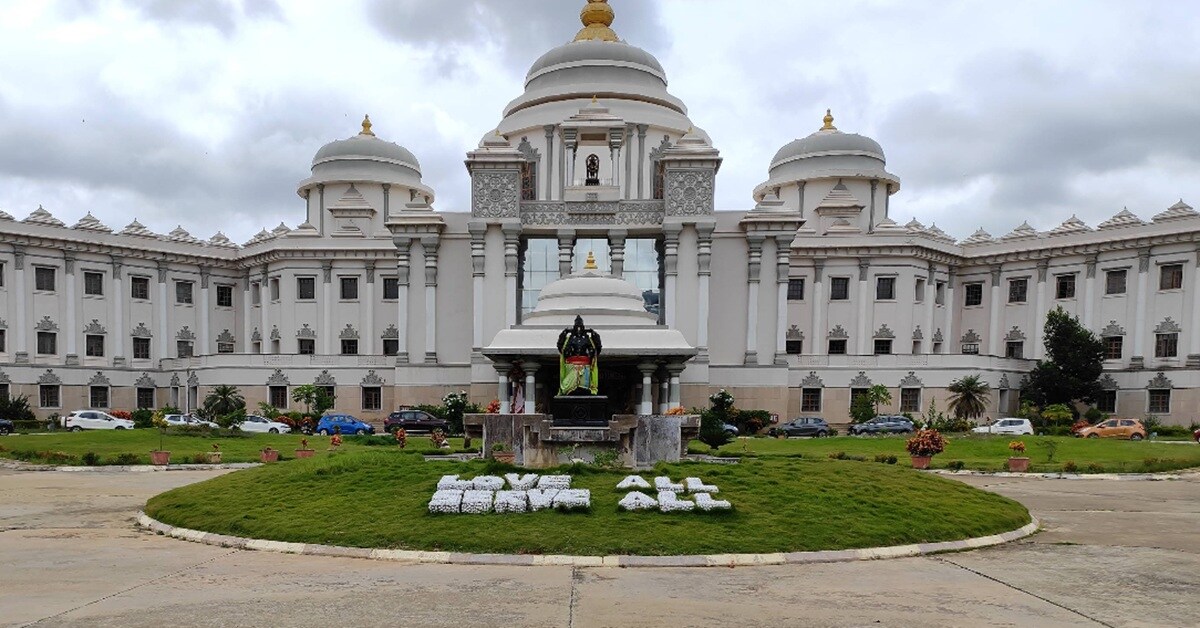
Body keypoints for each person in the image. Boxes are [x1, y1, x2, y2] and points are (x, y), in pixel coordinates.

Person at [557, 315, 602, 396]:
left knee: (584, 386)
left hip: (585, 366)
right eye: (577, 327)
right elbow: (560, 347)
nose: (578, 329)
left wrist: (594, 335)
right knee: (566, 385)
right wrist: (563, 334)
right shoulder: (569, 338)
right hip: (571, 366)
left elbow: (597, 349)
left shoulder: (587, 338)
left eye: (580, 327)